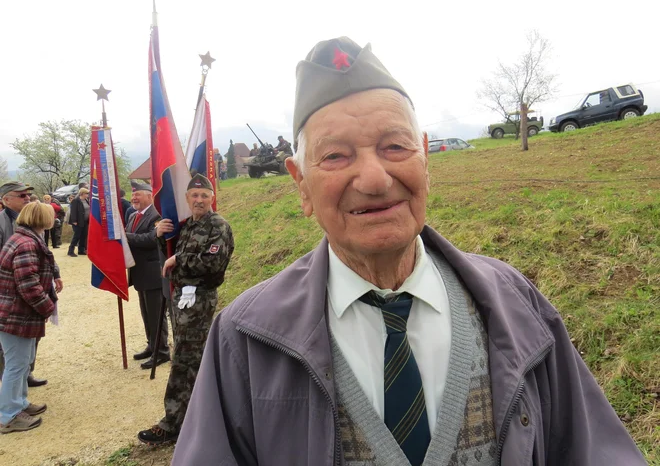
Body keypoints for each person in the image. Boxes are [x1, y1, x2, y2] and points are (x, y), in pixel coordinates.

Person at [172, 37, 647, 466]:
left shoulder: (517, 305)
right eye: (336, 156)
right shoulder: (245, 341)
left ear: (424, 156)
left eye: (394, 146)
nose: (375, 179)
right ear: (301, 184)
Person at [137, 174, 234, 445]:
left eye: (204, 195)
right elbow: (170, 252)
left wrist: (179, 259)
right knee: (192, 359)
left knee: (184, 361)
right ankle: (201, 418)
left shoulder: (218, 226)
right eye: (194, 195)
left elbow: (213, 263)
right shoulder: (189, 225)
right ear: (187, 198)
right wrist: (159, 238)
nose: (199, 200)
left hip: (199, 300)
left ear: (212, 198)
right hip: (181, 299)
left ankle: (172, 424)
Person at [0, 202, 63, 433]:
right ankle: (8, 415)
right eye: (50, 215)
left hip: (18, 314)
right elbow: (28, 285)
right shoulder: (26, 244)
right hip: (15, 315)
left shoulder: (25, 239)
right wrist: (48, 308)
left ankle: (20, 404)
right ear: (42, 219)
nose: (54, 218)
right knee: (15, 366)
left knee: (23, 362)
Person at [0, 182, 50, 388]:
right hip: (11, 293)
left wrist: (54, 274)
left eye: (28, 195)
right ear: (5, 199)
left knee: (31, 337)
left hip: (28, 290)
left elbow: (45, 252)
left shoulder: (32, 222)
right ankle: (8, 381)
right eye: (21, 195)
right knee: (9, 344)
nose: (27, 198)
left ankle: (26, 373)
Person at [125, 182, 170, 370]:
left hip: (153, 274)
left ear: (150, 196)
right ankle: (152, 345)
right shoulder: (133, 215)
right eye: (133, 195)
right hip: (140, 272)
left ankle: (162, 351)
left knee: (156, 315)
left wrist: (124, 236)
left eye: (138, 195)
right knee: (146, 314)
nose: (134, 198)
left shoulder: (157, 215)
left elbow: (152, 239)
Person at [67, 188, 90, 257]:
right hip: (77, 222)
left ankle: (81, 250)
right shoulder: (75, 201)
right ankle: (70, 251)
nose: (87, 195)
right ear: (82, 193)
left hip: (84, 221)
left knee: (83, 236)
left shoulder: (86, 200)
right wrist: (74, 221)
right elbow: (73, 211)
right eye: (86, 193)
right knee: (76, 236)